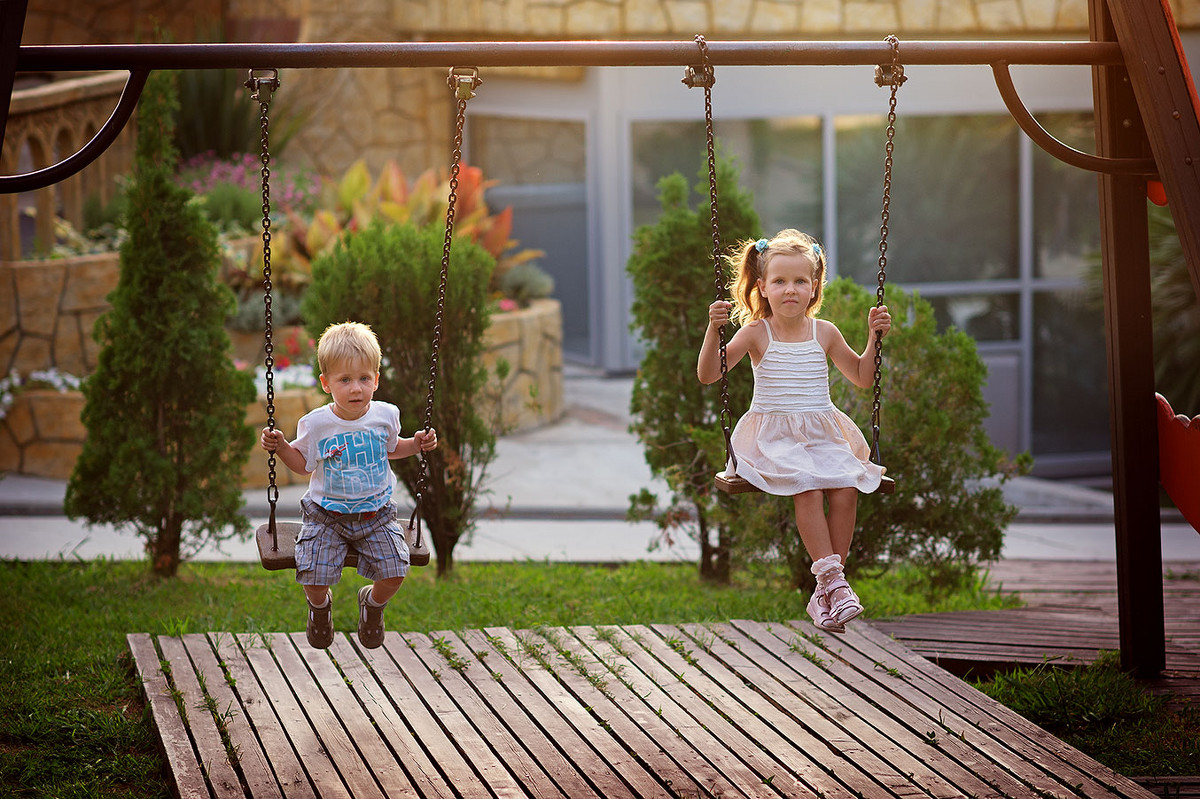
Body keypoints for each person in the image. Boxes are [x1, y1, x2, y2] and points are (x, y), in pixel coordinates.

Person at [697, 229, 891, 634]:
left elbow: (860, 376)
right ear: (763, 287)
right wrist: (712, 330)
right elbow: (709, 374)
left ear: (814, 286)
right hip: (774, 437)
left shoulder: (826, 332)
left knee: (846, 485)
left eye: (801, 281)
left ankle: (826, 591)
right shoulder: (755, 333)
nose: (791, 289)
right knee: (807, 483)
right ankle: (833, 584)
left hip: (821, 432)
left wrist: (874, 339)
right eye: (780, 281)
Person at [261, 321, 438, 650]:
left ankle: (372, 605)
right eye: (345, 380)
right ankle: (320, 608)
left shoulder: (386, 415)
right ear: (326, 384)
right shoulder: (317, 424)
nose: (356, 388)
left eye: (364, 378)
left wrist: (416, 444)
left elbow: (392, 447)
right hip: (326, 517)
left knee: (396, 572)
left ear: (376, 379)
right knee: (312, 575)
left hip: (377, 516)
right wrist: (282, 446)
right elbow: (302, 466)